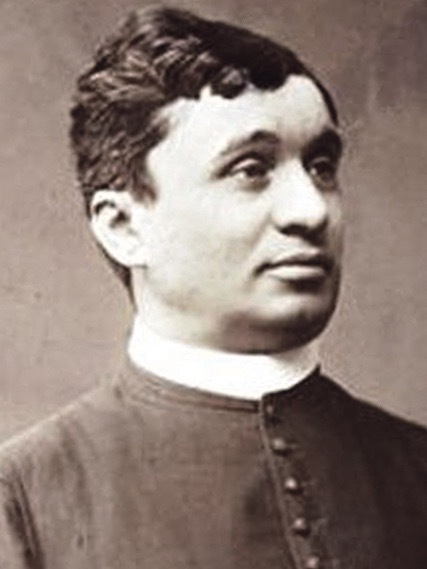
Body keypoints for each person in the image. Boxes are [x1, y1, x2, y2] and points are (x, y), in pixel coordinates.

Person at [0, 6, 426, 569]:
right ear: (123, 227)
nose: (311, 210)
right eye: (251, 169)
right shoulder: (23, 501)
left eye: (321, 166)